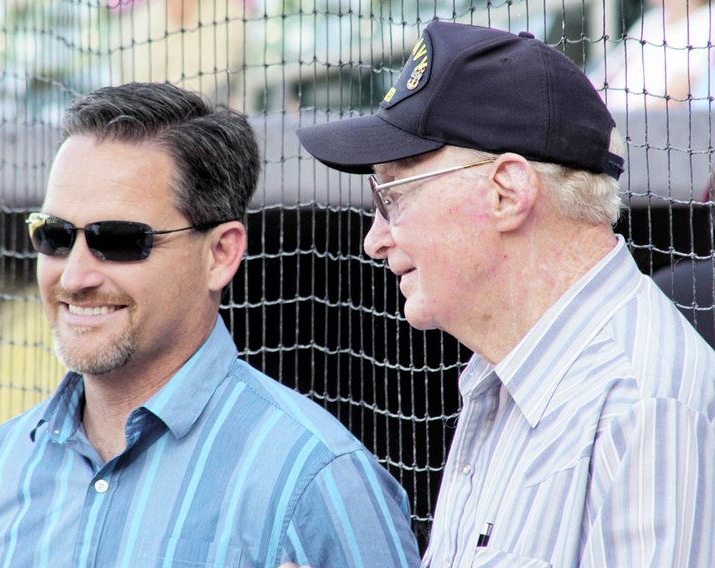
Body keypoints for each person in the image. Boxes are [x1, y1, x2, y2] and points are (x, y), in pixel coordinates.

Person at [296, 20, 715, 567]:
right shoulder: (507, 375)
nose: (375, 239)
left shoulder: (643, 409)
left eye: (391, 196)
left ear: (506, 192)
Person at [0, 83, 420, 567]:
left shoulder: (315, 477)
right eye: (53, 236)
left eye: (117, 239)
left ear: (221, 254)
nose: (74, 275)